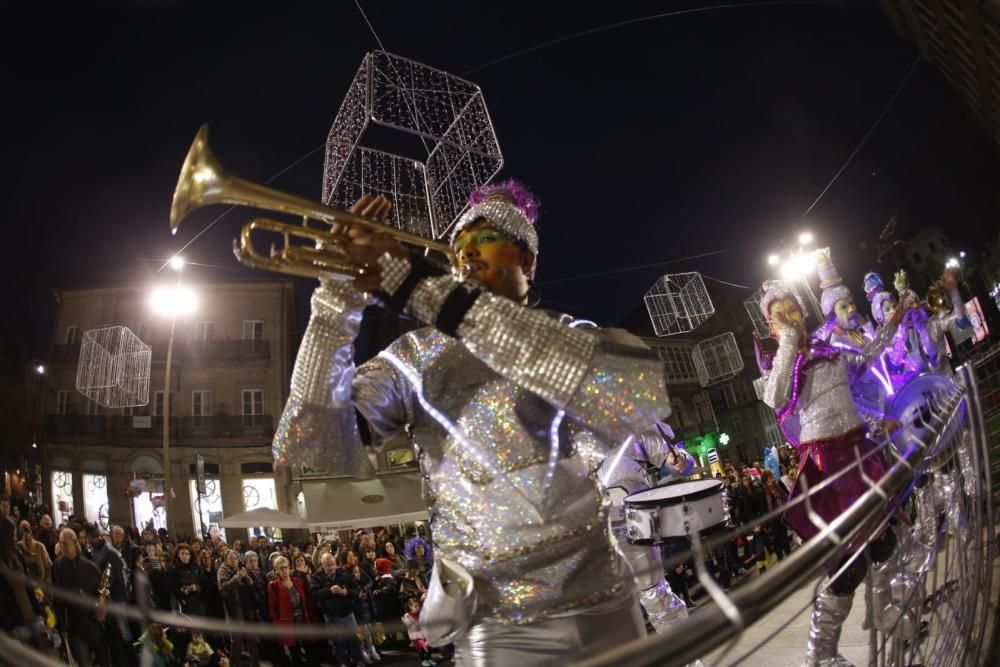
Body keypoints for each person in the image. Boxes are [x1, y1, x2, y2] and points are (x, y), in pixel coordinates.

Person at [274, 183, 666, 664]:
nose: (465, 252)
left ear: (528, 261)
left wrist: (406, 278)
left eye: (484, 238)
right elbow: (317, 442)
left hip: (604, 600)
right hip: (497, 623)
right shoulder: (415, 356)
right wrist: (335, 298)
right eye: (458, 244)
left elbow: (633, 393)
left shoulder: (567, 335)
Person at [757, 277, 910, 665]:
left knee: (884, 542)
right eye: (780, 316)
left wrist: (898, 319)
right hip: (827, 465)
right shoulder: (778, 364)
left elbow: (870, 355)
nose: (790, 318)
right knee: (848, 563)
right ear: (771, 327)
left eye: (793, 309)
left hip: (858, 451)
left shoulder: (831, 348)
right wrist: (789, 343)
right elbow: (774, 398)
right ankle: (820, 654)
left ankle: (883, 611)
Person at [52, 527, 109, 666]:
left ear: (75, 542)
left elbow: (102, 594)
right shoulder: (58, 566)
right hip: (74, 627)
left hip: (93, 624)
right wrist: (62, 627)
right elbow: (57, 599)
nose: (62, 546)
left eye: (66, 543)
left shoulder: (90, 567)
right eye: (61, 543)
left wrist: (103, 610)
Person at [311, 552, 366, 666]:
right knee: (339, 642)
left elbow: (357, 590)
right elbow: (314, 595)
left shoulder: (344, 573)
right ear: (322, 564)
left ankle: (358, 661)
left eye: (333, 565)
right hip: (331, 616)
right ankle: (343, 663)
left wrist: (346, 592)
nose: (331, 568)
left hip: (348, 614)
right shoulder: (317, 577)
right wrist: (329, 591)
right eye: (328, 565)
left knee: (355, 640)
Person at [267, 556, 318, 666]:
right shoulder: (273, 586)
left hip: (303, 621)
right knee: (294, 653)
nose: (284, 570)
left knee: (311, 649)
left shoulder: (298, 581)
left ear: (289, 568)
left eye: (286, 567)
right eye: (281, 568)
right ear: (276, 570)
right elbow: (273, 608)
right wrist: (279, 625)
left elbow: (307, 601)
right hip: (288, 623)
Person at [218, 549, 261, 666]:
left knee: (252, 639)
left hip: (246, 608)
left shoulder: (239, 569)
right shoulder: (222, 571)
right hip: (234, 610)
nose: (234, 560)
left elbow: (252, 584)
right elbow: (223, 588)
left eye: (235, 558)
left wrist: (246, 577)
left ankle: (255, 664)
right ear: (226, 560)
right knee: (236, 642)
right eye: (231, 558)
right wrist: (236, 578)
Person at [402, 598, 435, 667]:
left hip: (424, 634)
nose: (418, 608)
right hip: (416, 635)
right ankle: (423, 660)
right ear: (410, 607)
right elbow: (409, 625)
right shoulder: (408, 616)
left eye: (419, 606)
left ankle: (429, 659)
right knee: (421, 649)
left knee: (428, 647)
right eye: (415, 606)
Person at [18, 519, 52, 583]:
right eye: (26, 540)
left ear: (31, 535)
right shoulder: (18, 547)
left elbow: (48, 566)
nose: (28, 543)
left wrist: (47, 582)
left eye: (29, 540)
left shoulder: (40, 546)